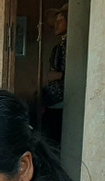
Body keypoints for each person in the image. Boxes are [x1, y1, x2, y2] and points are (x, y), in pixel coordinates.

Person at [41, 3, 68, 144]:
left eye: (60, 21)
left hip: (64, 101)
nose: (56, 25)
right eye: (55, 22)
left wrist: (58, 76)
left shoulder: (72, 46)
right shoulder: (59, 46)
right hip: (53, 101)